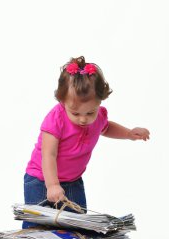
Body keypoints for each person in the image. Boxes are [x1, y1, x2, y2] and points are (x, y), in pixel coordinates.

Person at [22, 56, 150, 229]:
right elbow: (48, 154)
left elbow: (105, 128)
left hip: (73, 181)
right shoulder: (55, 119)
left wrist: (128, 133)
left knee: (77, 228)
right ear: (62, 101)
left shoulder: (97, 118)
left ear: (100, 102)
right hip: (41, 180)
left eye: (90, 112)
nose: (83, 119)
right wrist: (52, 185)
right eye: (75, 113)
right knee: (38, 229)